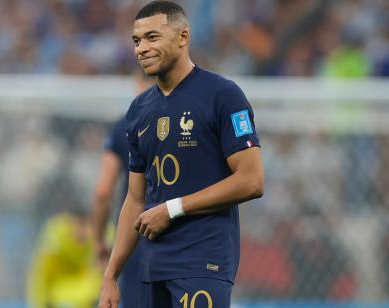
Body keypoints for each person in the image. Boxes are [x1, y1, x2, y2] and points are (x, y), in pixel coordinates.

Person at [98, 1, 264, 308]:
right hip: (151, 268)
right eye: (136, 41)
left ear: (183, 36)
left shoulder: (223, 95)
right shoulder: (138, 111)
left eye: (152, 37)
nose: (141, 49)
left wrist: (172, 208)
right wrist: (111, 275)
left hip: (203, 262)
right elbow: (135, 199)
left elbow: (251, 180)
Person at [91, 71, 153, 308]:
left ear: (136, 82)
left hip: (136, 232)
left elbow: (103, 191)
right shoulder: (186, 122)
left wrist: (98, 241)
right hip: (181, 230)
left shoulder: (124, 126)